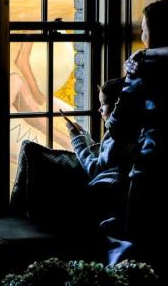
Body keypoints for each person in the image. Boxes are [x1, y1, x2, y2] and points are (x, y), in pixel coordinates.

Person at [10, 77, 137, 230]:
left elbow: (95, 169)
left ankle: (19, 218)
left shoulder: (117, 137)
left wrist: (77, 140)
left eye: (103, 104)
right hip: (104, 192)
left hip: (102, 193)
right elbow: (105, 159)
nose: (99, 110)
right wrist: (86, 139)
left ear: (118, 107)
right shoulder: (128, 133)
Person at [105, 0, 168, 273]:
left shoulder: (142, 70)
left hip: (151, 172)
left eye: (144, 30)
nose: (141, 37)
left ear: (154, 33)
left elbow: (117, 127)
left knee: (143, 258)